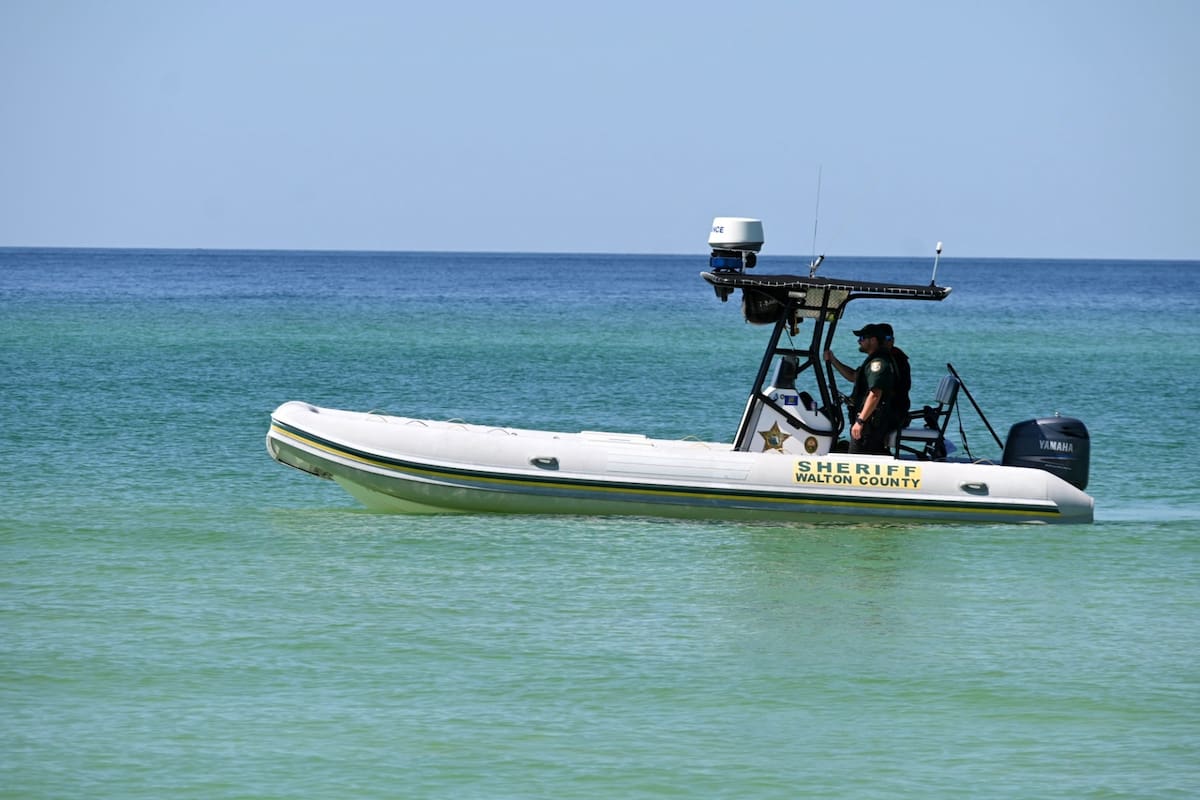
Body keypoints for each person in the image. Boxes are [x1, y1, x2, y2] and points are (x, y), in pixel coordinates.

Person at [824, 323, 896, 454]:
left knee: (857, 456)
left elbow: (875, 394)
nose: (859, 341)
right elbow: (853, 376)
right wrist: (833, 360)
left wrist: (860, 421)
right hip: (869, 423)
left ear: (873, 340)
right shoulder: (873, 361)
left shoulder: (878, 363)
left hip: (870, 425)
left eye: (862, 338)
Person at [876, 322, 911, 430]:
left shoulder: (895, 359)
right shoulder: (887, 357)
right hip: (893, 410)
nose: (888, 341)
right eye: (884, 338)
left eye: (889, 338)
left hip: (893, 413)